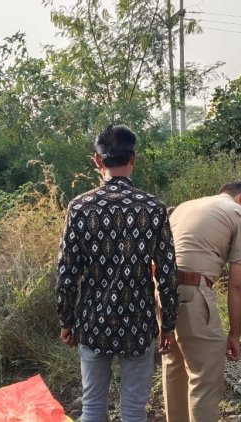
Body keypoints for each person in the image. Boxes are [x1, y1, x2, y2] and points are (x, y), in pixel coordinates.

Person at [56, 124, 178, 422]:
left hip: (93, 321)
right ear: (133, 158)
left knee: (93, 407)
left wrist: (66, 319)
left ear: (98, 161)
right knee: (134, 411)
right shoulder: (154, 208)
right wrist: (169, 324)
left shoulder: (80, 207)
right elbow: (167, 272)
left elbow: (66, 271)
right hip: (137, 322)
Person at [163, 181, 241, 422]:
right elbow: (238, 282)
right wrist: (235, 334)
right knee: (205, 373)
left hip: (160, 289)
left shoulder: (186, 206)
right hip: (191, 293)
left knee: (175, 363)